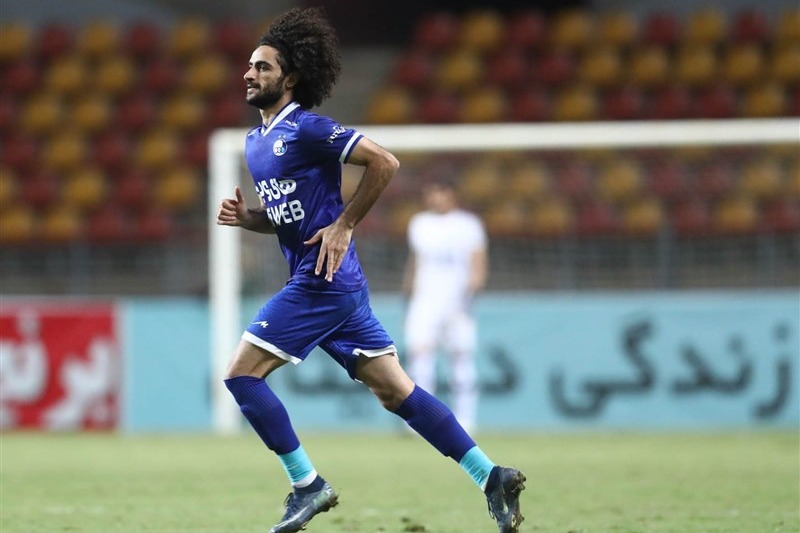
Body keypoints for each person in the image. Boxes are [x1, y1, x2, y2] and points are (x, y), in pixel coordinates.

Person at [215, 8, 525, 533]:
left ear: (289, 78)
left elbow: (385, 162)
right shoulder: (255, 141)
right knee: (396, 392)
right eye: (249, 65)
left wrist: (345, 224)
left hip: (321, 282)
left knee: (241, 375)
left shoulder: (308, 128)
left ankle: (307, 484)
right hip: (338, 286)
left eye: (262, 67)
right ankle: (490, 476)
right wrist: (252, 219)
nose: (249, 74)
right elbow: (292, 215)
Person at [403, 179, 488, 433]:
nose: (432, 198)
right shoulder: (419, 223)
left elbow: (478, 264)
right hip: (425, 301)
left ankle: (466, 419)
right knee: (420, 359)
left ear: (451, 194)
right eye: (429, 193)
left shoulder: (468, 225)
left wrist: (468, 297)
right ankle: (422, 421)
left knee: (461, 359)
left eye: (438, 192)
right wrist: (409, 291)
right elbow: (416, 261)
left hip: (456, 302)